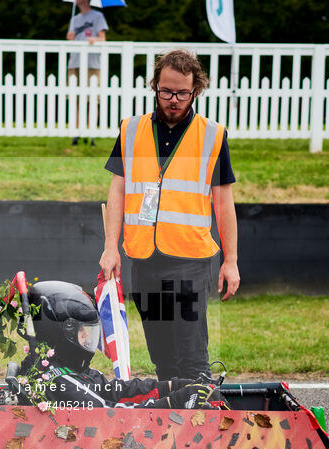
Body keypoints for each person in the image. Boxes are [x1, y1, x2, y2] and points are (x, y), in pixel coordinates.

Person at [100, 48, 239, 381]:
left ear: (196, 91)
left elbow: (223, 202)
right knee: (162, 357)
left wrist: (230, 260)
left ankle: (201, 420)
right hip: (144, 259)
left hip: (189, 260)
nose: (173, 100)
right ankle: (171, 425)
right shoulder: (131, 130)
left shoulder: (212, 135)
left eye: (182, 93)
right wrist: (110, 247)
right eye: (166, 91)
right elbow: (118, 190)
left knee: (191, 356)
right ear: (154, 86)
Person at [17, 281, 216, 409]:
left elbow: (113, 390)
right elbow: (113, 415)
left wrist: (170, 386)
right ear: (59, 333)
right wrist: (172, 403)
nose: (87, 335)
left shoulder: (65, 369)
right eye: (80, 329)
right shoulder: (60, 382)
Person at [66, 0, 108, 146]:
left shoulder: (97, 16)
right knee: (76, 100)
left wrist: (94, 39)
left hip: (92, 63)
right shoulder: (74, 19)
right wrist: (70, 38)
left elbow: (103, 39)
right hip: (75, 63)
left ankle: (91, 133)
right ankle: (77, 132)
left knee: (92, 99)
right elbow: (71, 42)